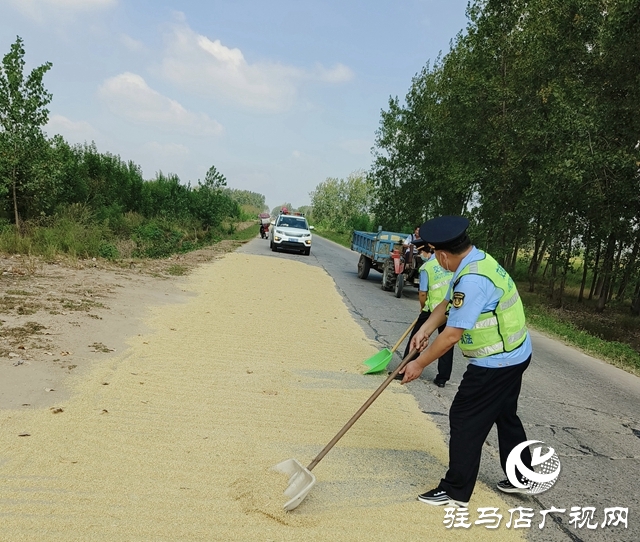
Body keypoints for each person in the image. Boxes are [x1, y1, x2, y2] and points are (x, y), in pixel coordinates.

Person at [399, 215, 533, 507]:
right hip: (517, 353)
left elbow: (451, 337)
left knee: (464, 418)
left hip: (496, 364)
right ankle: (525, 475)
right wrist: (423, 330)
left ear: (444, 254)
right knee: (505, 414)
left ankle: (455, 491)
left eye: (435, 253)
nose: (435, 259)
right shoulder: (475, 260)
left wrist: (419, 364)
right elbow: (445, 305)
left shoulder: (472, 280)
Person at [400, 246, 454, 387]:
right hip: (450, 309)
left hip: (432, 309)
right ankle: (442, 378)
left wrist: (422, 306)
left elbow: (423, 293)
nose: (421, 256)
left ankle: (402, 370)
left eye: (421, 253)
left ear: (426, 253)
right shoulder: (449, 264)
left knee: (417, 337)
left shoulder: (426, 267)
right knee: (446, 343)